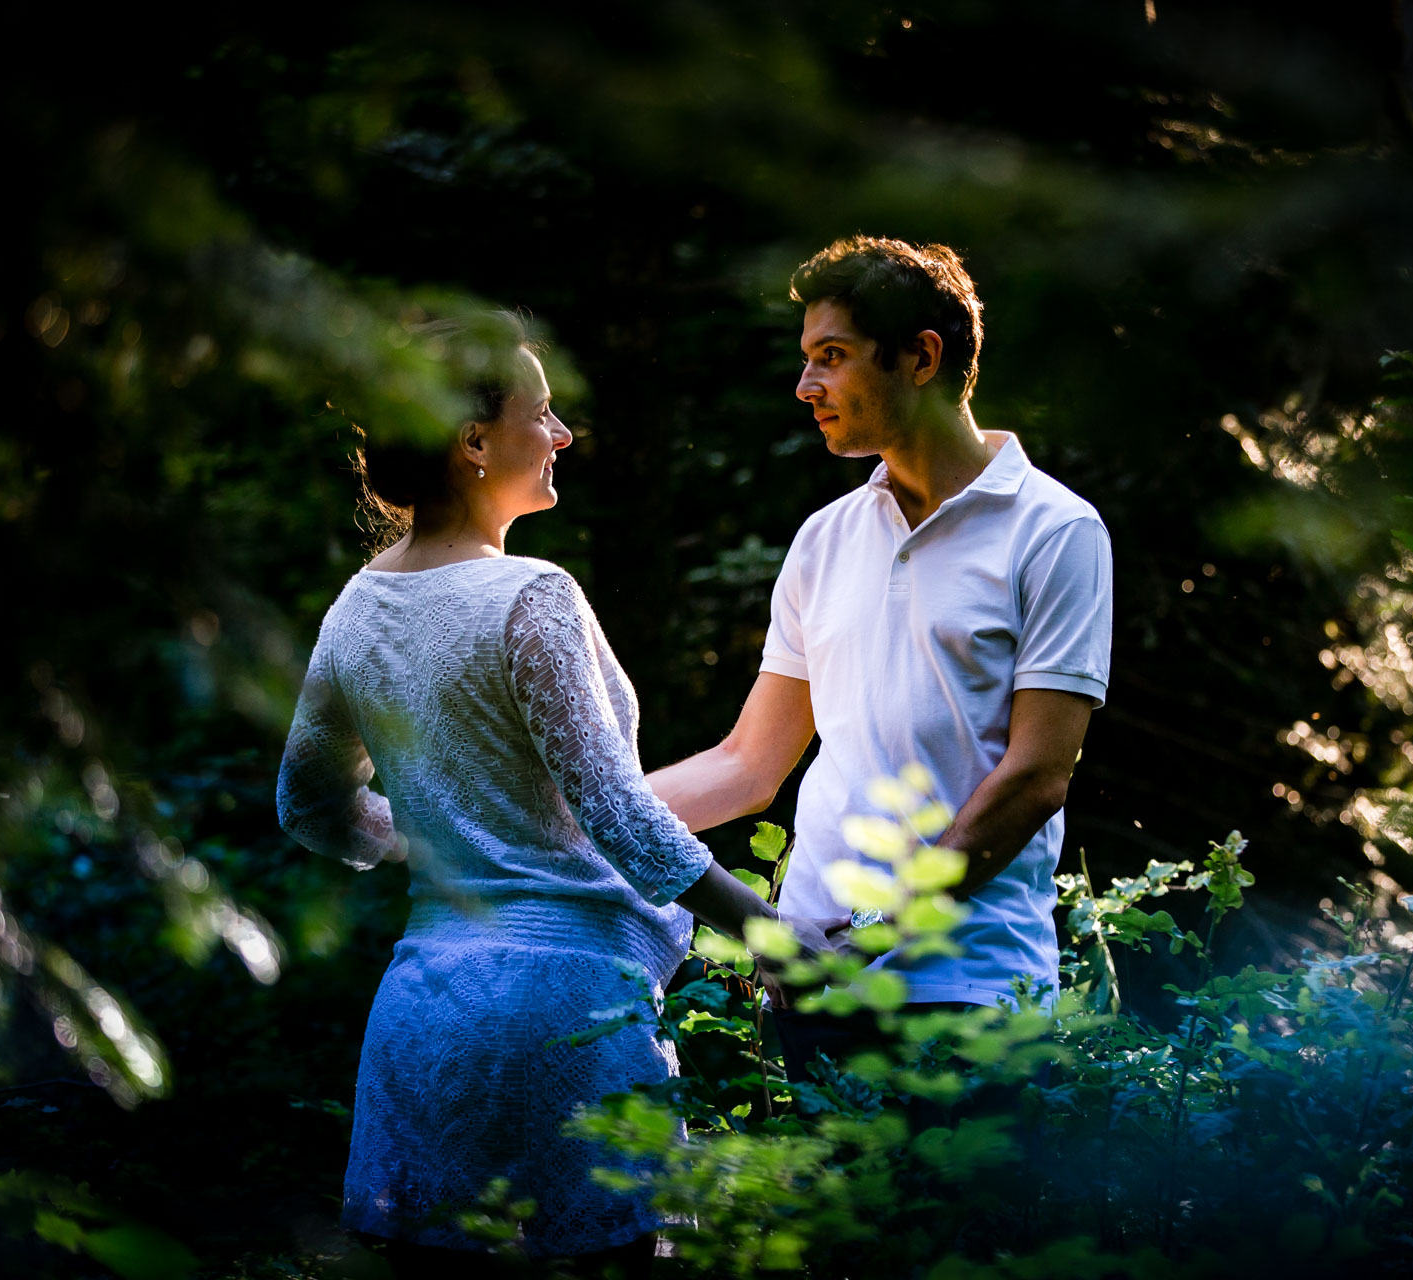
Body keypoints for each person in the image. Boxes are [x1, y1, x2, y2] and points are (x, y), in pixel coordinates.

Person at [275, 311, 841, 1276]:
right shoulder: (531, 594)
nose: (563, 434)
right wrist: (765, 928)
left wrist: (429, 843)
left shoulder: (357, 605)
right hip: (566, 1015)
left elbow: (309, 806)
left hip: (422, 1020)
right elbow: (615, 810)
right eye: (543, 413)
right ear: (475, 441)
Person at [648, 237, 1113, 1079]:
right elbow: (750, 765)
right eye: (805, 360)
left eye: (832, 358)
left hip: (972, 991)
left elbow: (1038, 775)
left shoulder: (1057, 531)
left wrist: (878, 934)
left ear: (922, 357)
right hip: (813, 984)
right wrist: (585, 810)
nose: (805, 387)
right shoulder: (824, 540)